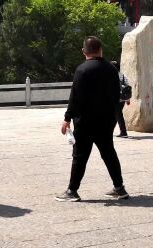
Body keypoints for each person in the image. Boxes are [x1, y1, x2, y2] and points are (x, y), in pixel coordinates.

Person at [56, 36, 129, 202]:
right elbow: (116, 95)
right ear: (101, 50)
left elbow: (75, 97)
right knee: (109, 153)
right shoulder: (111, 70)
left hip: (86, 122)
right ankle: (120, 188)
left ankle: (72, 191)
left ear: (84, 52)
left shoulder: (82, 70)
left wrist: (67, 118)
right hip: (107, 120)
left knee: (80, 156)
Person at [110, 61, 129, 138]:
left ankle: (123, 132)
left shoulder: (111, 76)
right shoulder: (124, 76)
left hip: (114, 98)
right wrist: (128, 99)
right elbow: (127, 88)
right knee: (117, 115)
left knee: (118, 115)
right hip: (122, 99)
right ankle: (112, 130)